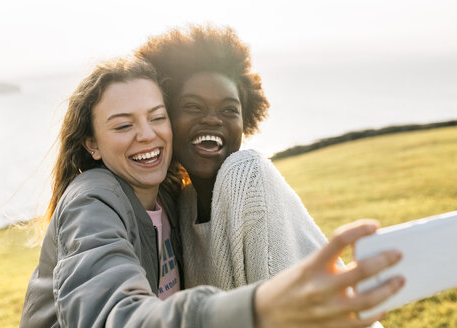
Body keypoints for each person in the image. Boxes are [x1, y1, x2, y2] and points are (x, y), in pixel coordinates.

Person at [22, 47, 403, 328]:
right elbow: (112, 317)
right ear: (92, 143)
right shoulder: (92, 200)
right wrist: (259, 307)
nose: (146, 135)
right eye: (123, 126)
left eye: (157, 117)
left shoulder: (174, 201)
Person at [136, 25, 404, 327]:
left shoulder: (246, 173)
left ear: (244, 118)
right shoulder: (182, 203)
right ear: (168, 116)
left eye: (229, 109)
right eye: (193, 106)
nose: (212, 119)